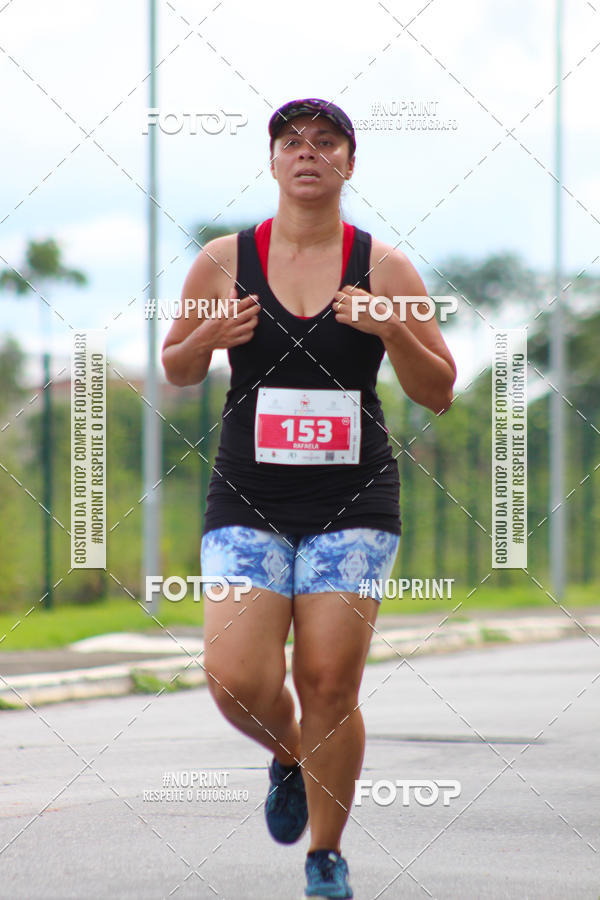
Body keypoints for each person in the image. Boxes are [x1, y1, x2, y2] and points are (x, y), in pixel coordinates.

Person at [162, 98, 456, 900]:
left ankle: (325, 857)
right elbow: (177, 369)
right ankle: (290, 751)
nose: (309, 154)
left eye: (327, 143)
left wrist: (392, 329)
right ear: (273, 162)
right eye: (292, 143)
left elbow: (440, 392)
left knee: (330, 681)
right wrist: (203, 340)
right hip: (247, 497)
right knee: (233, 676)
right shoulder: (224, 261)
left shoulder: (385, 267)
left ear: (349, 165)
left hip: (352, 503)